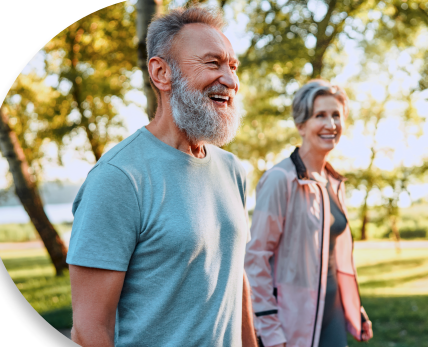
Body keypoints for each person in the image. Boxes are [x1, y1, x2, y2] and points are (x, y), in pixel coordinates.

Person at [67, 7, 257, 347]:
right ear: (161, 72)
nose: (230, 79)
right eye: (213, 63)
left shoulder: (232, 169)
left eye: (233, 66)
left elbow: (233, 275)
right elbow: (88, 331)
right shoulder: (118, 178)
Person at [244, 80, 373, 347]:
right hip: (293, 321)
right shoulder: (280, 179)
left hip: (333, 314)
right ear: (301, 125)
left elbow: (335, 257)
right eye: (320, 115)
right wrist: (269, 330)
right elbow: (255, 259)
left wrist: (354, 307)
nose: (331, 124)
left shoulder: (334, 182)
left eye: (336, 115)